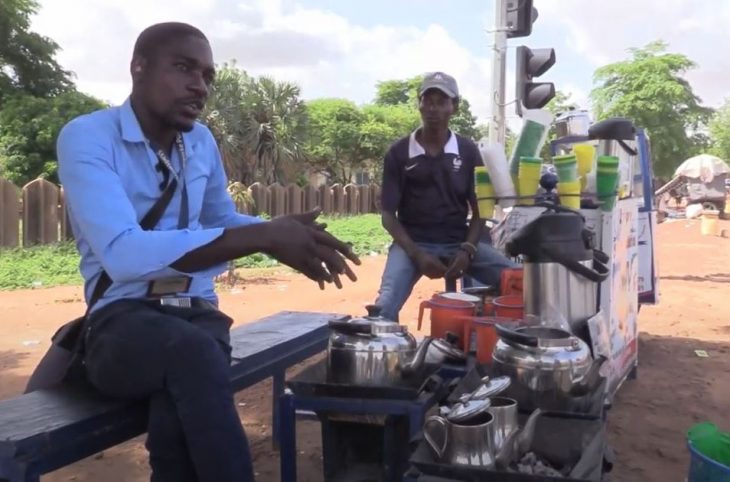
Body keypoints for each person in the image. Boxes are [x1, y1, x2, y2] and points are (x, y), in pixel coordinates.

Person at [45, 22, 360, 482]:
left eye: (208, 76)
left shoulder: (200, 142)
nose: (200, 86)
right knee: (191, 355)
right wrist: (265, 237)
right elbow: (123, 254)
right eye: (183, 68)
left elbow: (220, 221)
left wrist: (282, 232)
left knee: (178, 417)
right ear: (138, 68)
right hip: (121, 320)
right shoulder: (89, 137)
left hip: (195, 312)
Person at [374, 72, 518, 322]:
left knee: (519, 281)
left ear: (455, 107)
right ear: (419, 104)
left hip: (458, 242)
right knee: (384, 306)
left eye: (442, 102)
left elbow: (480, 208)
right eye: (427, 100)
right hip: (412, 244)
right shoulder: (398, 153)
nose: (433, 108)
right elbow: (388, 216)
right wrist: (417, 255)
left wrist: (468, 250)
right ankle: (389, 356)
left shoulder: (468, 151)